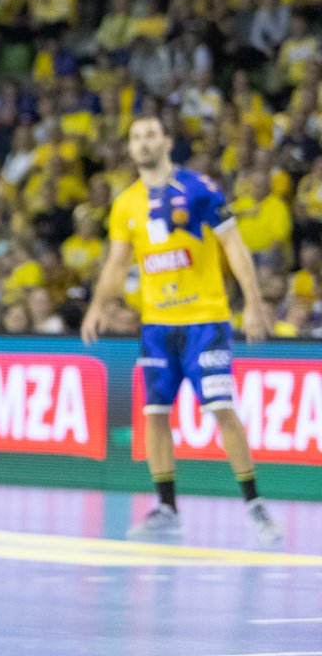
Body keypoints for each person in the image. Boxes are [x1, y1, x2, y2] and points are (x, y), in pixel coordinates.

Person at [82, 115, 283, 547]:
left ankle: (254, 503)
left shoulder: (200, 189)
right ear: (130, 147)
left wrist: (253, 302)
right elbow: (117, 263)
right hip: (157, 325)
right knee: (154, 414)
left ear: (167, 141)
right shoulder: (126, 204)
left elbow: (233, 245)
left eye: (150, 135)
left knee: (221, 408)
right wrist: (97, 307)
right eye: (136, 137)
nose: (143, 143)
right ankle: (167, 508)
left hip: (205, 320)